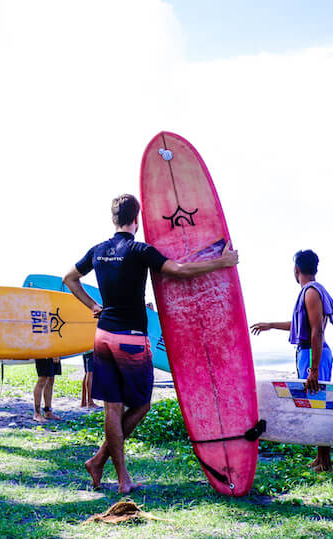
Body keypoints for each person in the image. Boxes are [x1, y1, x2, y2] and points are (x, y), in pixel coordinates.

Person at [64, 194, 238, 494]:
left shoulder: (98, 250)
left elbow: (69, 278)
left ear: (114, 219)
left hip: (103, 336)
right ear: (137, 220)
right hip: (131, 339)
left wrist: (93, 305)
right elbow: (179, 270)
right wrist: (221, 262)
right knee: (142, 404)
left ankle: (114, 474)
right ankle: (107, 467)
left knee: (112, 408)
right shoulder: (139, 250)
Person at [250, 249, 333, 471]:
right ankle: (320, 457)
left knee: (319, 405)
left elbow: (317, 330)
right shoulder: (312, 291)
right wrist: (270, 325)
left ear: (296, 269)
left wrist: (314, 369)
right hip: (309, 353)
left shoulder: (310, 292)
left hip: (312, 354)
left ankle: (325, 462)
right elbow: (301, 325)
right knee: (316, 403)